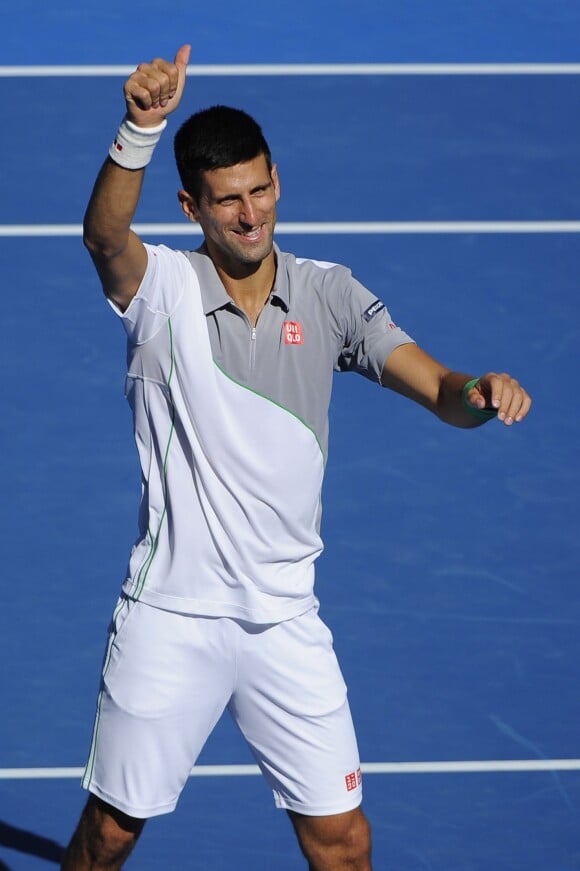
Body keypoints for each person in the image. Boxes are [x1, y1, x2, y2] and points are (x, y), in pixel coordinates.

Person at [61, 44, 532, 871]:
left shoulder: (330, 293)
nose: (250, 215)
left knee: (343, 843)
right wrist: (140, 126)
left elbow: (438, 388)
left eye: (260, 190)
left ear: (278, 180)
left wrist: (477, 393)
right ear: (190, 207)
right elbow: (104, 236)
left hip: (285, 621)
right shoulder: (161, 291)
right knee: (109, 835)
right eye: (227, 201)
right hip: (173, 616)